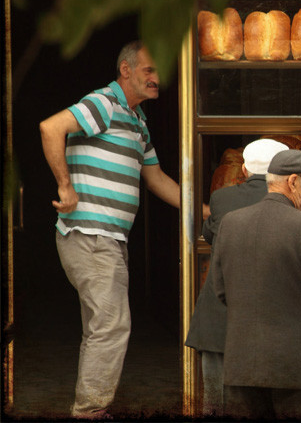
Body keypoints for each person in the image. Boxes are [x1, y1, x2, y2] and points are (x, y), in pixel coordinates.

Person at [39, 41, 208, 419]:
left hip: (109, 240)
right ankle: (90, 412)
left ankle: (88, 409)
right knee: (112, 326)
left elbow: (157, 179)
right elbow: (51, 127)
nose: (157, 78)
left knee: (102, 327)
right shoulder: (104, 103)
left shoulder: (138, 121)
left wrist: (206, 211)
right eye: (149, 70)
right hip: (91, 234)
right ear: (126, 70)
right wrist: (65, 185)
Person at [184, 138, 301, 416]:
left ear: (244, 170)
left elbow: (210, 234)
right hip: (277, 331)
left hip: (221, 323)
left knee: (217, 406)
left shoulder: (222, 198)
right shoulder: (300, 203)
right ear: (287, 176)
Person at [211, 149, 301, 420]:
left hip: (243, 367)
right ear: (293, 181)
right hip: (298, 370)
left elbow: (221, 290)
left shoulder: (230, 223)